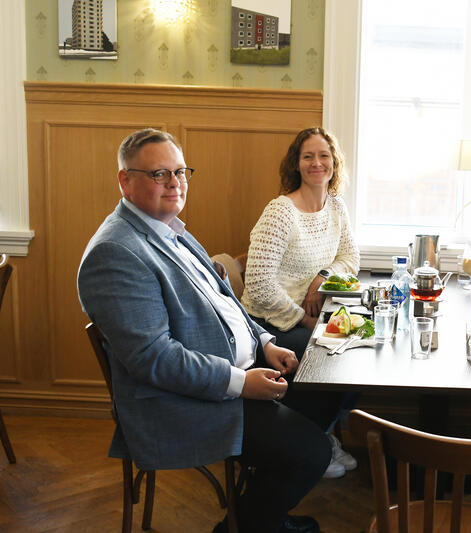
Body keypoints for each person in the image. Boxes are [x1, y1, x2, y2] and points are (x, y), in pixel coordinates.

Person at [77, 128, 329, 533]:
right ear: (126, 180)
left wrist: (264, 343)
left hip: (230, 374)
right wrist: (240, 383)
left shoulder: (169, 226)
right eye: (160, 174)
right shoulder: (115, 252)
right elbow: (153, 359)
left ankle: (265, 514)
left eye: (180, 172)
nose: (175, 183)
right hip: (180, 402)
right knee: (311, 451)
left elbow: (225, 300)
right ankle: (243, 525)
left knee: (325, 389)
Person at [241, 127, 359, 479]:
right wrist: (304, 320)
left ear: (334, 164)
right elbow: (259, 284)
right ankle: (309, 446)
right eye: (308, 156)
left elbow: (350, 257)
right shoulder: (281, 212)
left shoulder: (336, 207)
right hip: (268, 326)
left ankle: (318, 437)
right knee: (329, 357)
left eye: (324, 155)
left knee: (357, 351)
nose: (316, 163)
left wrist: (323, 276)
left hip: (312, 316)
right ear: (296, 164)